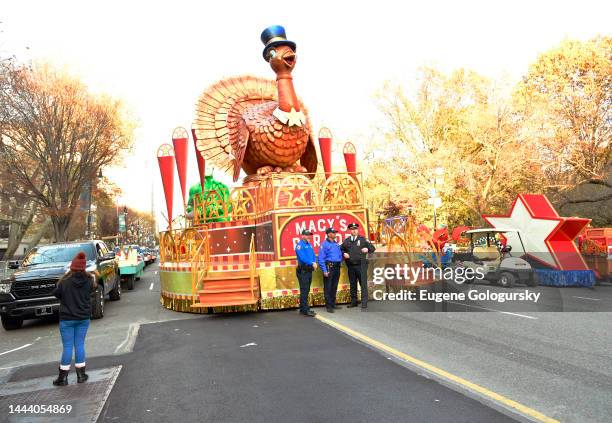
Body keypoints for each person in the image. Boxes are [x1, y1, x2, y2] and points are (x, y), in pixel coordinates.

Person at [51, 251, 96, 386]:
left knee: (68, 347)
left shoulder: (64, 281)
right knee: (80, 345)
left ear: (72, 267)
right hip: (83, 318)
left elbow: (56, 294)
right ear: (83, 267)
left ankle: (62, 378)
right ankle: (81, 375)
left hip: (67, 319)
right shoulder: (89, 281)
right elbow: (92, 291)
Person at [341, 222, 376, 309]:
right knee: (353, 284)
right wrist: (344, 253)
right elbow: (340, 249)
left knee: (363, 284)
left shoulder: (363, 240)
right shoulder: (347, 241)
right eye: (352, 229)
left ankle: (364, 302)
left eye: (355, 229)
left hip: (361, 266)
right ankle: (354, 302)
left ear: (357, 230)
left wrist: (367, 249)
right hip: (351, 266)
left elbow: (373, 248)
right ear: (350, 231)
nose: (354, 231)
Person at [318, 227, 343, 313]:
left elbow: (339, 255)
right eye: (333, 233)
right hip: (329, 266)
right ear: (328, 234)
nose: (335, 234)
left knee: (334, 286)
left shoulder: (336, 244)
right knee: (328, 286)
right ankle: (328, 306)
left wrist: (341, 261)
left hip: (336, 267)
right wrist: (324, 270)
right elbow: (321, 259)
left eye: (335, 232)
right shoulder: (324, 244)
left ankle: (333, 303)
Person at [294, 230, 318, 316]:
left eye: (310, 235)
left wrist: (314, 262)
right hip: (303, 270)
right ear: (302, 236)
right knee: (304, 290)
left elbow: (313, 255)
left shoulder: (309, 245)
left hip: (308, 270)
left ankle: (303, 308)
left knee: (306, 290)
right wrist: (312, 263)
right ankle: (305, 310)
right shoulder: (300, 246)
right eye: (307, 235)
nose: (309, 237)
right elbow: (302, 258)